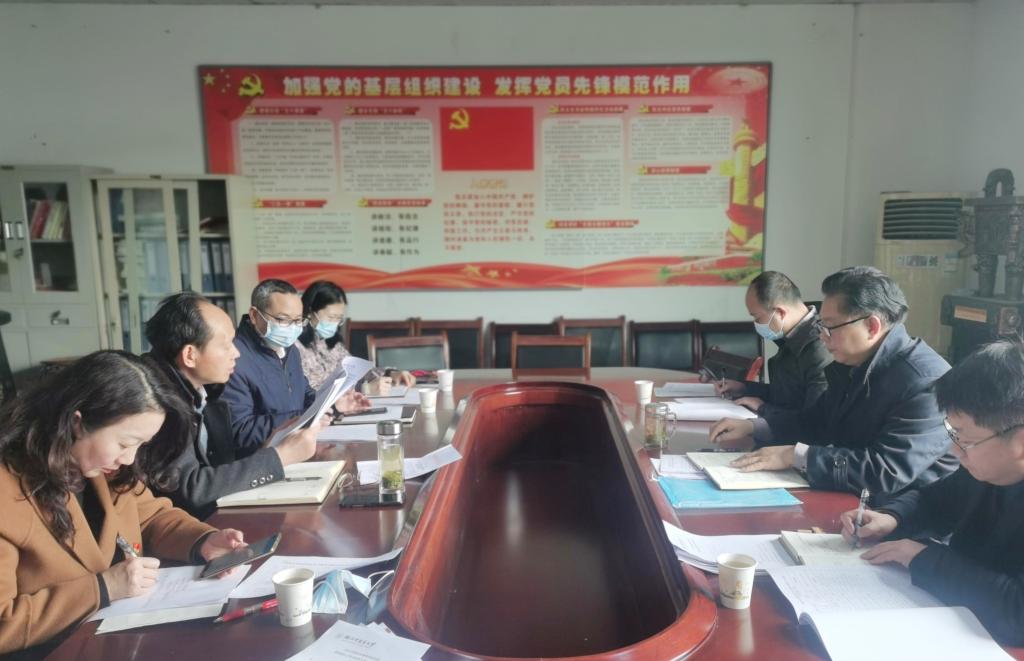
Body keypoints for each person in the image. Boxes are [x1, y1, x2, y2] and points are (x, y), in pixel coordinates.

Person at [0, 351, 245, 658]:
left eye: (141, 445)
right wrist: (103, 588)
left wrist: (203, 541)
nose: (129, 458)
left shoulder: (101, 467)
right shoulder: (8, 490)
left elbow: (151, 516)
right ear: (77, 423)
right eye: (124, 443)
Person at [710, 266, 957, 499]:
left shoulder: (926, 381)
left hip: (900, 513)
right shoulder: (854, 364)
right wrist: (754, 427)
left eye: (829, 327)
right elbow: (816, 421)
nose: (822, 336)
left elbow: (886, 469)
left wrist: (795, 455)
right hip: (854, 500)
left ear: (872, 326)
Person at [840, 341, 1024, 645]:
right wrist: (892, 517)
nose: (954, 450)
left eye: (965, 439)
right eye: (952, 433)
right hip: (957, 619)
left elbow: (1017, 614)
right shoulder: (989, 467)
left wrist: (922, 558)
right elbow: (936, 501)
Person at [144, 292, 326, 519]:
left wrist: (267, 449)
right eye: (226, 345)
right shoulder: (155, 402)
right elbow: (190, 489)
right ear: (190, 355)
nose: (237, 353)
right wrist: (280, 457)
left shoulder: (198, 389)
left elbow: (217, 466)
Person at [222, 279, 369, 456]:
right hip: (263, 460)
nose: (292, 328)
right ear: (254, 315)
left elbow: (306, 396)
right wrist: (301, 418)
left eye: (298, 321)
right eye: (283, 320)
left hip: (299, 448)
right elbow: (240, 430)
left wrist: (333, 406)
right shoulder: (234, 358)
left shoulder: (290, 350)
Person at [706, 270, 831, 416]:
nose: (756, 324)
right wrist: (744, 388)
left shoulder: (821, 347)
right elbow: (784, 394)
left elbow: (814, 419)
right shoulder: (793, 335)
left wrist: (762, 408)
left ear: (781, 313)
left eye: (757, 318)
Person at [295, 280, 415, 391]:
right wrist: (363, 389)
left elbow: (357, 372)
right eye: (331, 317)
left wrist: (391, 374)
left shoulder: (332, 343)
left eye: (339, 319)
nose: (335, 324)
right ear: (310, 312)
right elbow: (311, 392)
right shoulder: (295, 346)